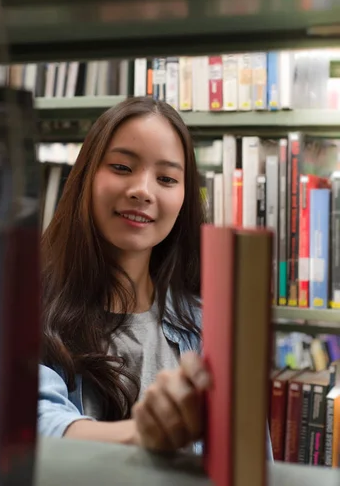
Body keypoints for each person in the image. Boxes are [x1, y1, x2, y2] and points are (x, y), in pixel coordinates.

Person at [38, 96, 273, 458]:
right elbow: (36, 423)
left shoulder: (210, 324)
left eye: (166, 178)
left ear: (184, 198)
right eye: (121, 167)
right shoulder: (28, 311)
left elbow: (252, 457)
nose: (143, 191)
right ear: (86, 176)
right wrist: (141, 434)